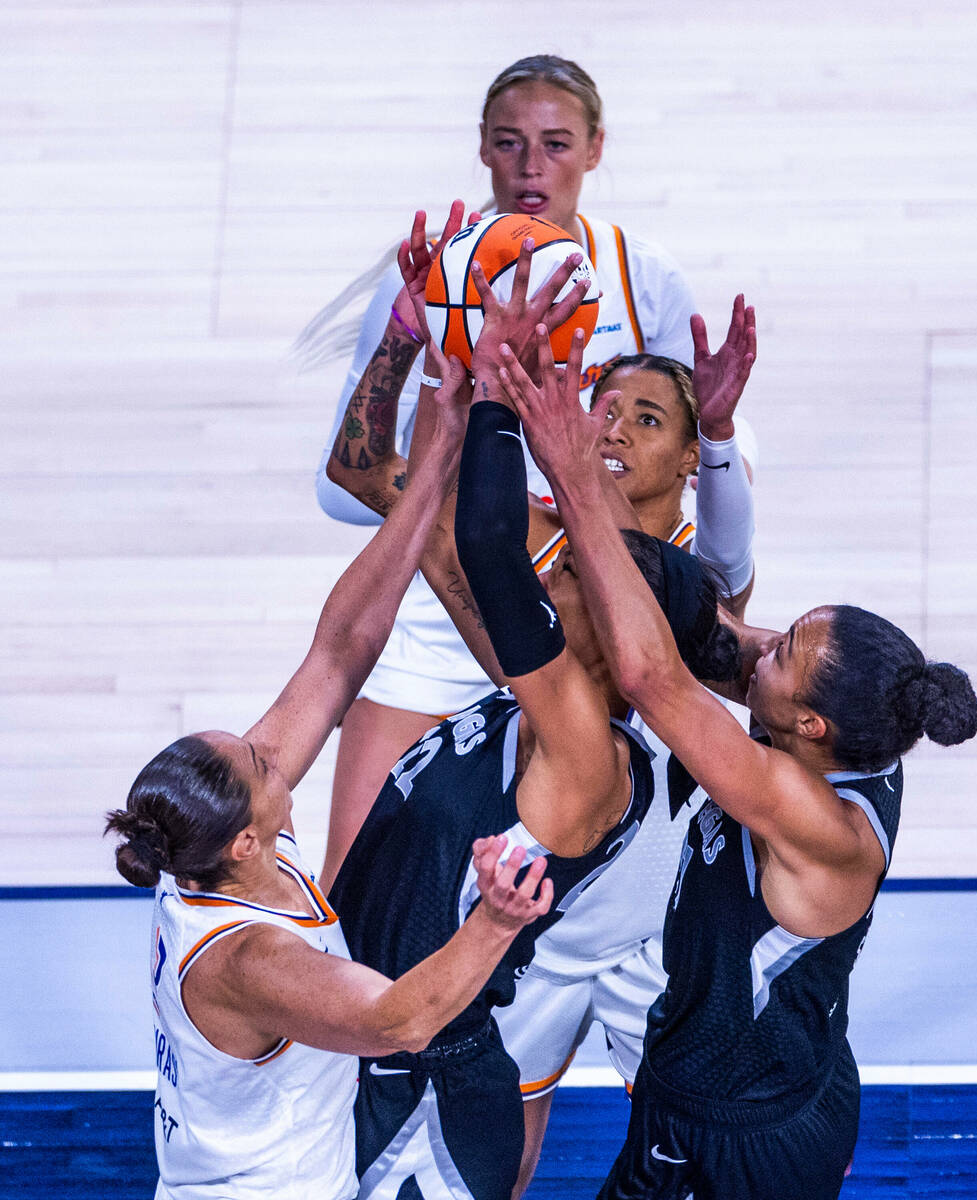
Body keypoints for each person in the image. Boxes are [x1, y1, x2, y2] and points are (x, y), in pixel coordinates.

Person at [324, 212, 760, 1190]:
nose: (611, 427)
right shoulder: (538, 534)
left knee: (703, 1137)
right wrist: (409, 330)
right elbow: (360, 473)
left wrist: (721, 433)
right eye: (603, 406)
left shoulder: (689, 582)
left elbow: (732, 572)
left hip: (651, 891)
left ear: (686, 462)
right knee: (495, 1118)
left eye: (645, 419)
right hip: (546, 876)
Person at [499, 327, 977, 1199]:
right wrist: (694, 443)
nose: (761, 645)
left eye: (784, 651)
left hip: (743, 1133)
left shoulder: (820, 823)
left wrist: (571, 473)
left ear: (807, 724)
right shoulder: (850, 725)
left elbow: (654, 678)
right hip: (731, 1086)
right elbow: (682, 613)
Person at [102, 386, 555, 1200]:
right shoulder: (251, 959)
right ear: (248, 841)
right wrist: (497, 920)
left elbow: (342, 650)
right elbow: (400, 1021)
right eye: (263, 765)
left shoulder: (203, 842)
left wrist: (436, 456)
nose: (276, 749)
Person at [306, 54, 708, 893]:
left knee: (552, 914)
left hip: (576, 632)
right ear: (482, 150)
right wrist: (411, 344)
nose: (532, 167)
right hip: (436, 627)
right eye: (509, 143)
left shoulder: (645, 277)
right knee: (356, 902)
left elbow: (683, 456)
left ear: (596, 149)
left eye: (556, 144)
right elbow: (340, 484)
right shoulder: (423, 278)